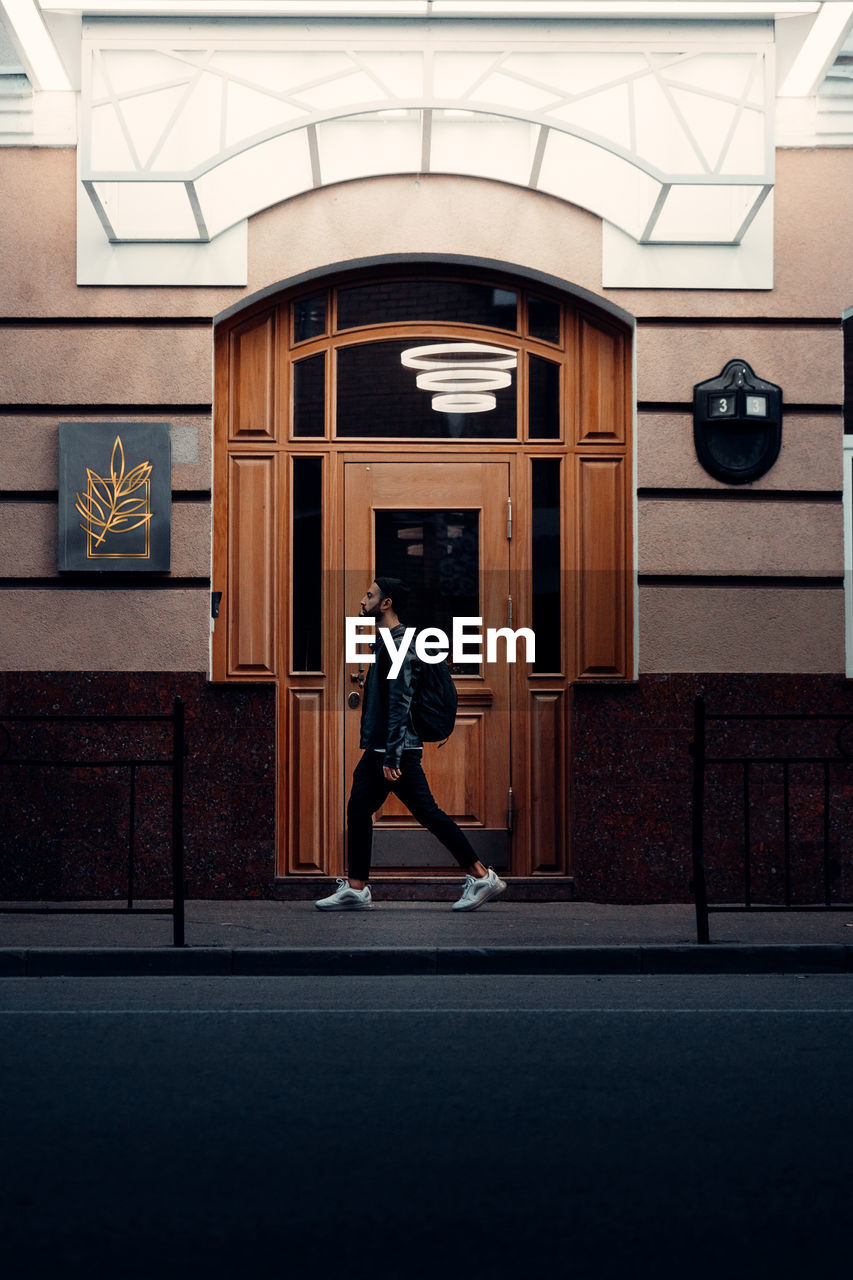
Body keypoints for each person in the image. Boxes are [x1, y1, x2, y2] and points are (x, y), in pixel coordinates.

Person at [316, 576, 507, 912]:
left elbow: (401, 701)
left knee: (427, 813)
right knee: (359, 809)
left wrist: (393, 755)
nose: (363, 600)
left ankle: (480, 875)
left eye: (370, 595)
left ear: (386, 603)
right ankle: (357, 887)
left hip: (396, 751)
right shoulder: (389, 641)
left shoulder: (399, 644)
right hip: (384, 749)